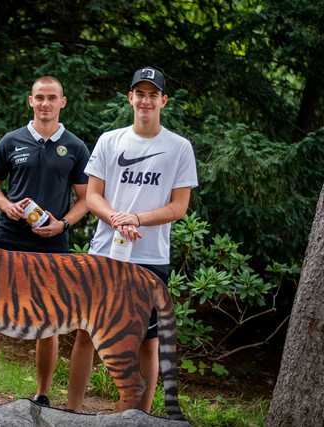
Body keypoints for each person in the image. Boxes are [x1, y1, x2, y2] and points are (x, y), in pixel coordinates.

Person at [65, 66, 198, 412]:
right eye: (140, 94)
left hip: (150, 257)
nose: (145, 100)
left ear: (163, 101)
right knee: (85, 333)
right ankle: (73, 411)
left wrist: (136, 219)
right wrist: (116, 219)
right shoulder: (110, 140)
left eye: (153, 95)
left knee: (147, 341)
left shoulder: (179, 148)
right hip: (105, 254)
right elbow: (92, 195)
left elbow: (179, 206)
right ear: (130, 98)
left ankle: (138, 416)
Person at [0, 76, 90, 406]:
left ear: (62, 102)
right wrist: (6, 205)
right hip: (8, 240)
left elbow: (86, 199)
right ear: (30, 101)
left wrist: (63, 224)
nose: (45, 103)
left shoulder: (76, 147)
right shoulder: (11, 141)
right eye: (39, 97)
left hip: (52, 244)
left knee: (49, 321)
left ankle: (42, 393)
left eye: (51, 97)